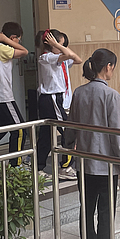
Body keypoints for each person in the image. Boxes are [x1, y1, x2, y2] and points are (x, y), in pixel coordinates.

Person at [67, 48, 120, 239]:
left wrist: (68, 146)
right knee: (105, 211)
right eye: (113, 67)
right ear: (108, 67)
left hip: (84, 161)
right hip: (105, 165)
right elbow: (117, 132)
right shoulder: (111, 95)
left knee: (86, 207)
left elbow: (70, 126)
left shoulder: (79, 92)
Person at [36, 29, 82, 180]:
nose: (63, 48)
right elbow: (69, 55)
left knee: (46, 135)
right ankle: (65, 167)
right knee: (68, 131)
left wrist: (58, 46)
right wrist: (56, 45)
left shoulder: (59, 58)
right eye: (60, 44)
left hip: (57, 98)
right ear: (51, 44)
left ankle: (39, 166)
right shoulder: (46, 57)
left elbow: (77, 59)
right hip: (51, 98)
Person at [0, 22, 29, 165]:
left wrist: (5, 40)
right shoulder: (2, 48)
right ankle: (16, 166)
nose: (18, 43)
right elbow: (24, 52)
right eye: (18, 39)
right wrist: (6, 40)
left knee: (3, 127)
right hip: (2, 97)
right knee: (20, 130)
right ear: (13, 37)